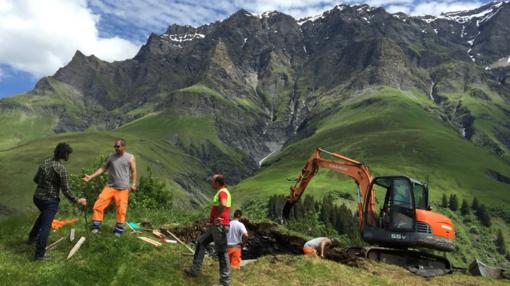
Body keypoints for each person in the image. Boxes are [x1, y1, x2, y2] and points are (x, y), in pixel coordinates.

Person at [28, 142, 87, 260]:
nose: (68, 156)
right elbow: (66, 190)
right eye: (68, 154)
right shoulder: (61, 169)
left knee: (43, 216)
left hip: (37, 198)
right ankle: (39, 254)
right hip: (50, 201)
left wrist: (46, 185)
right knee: (46, 226)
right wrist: (78, 201)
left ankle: (32, 237)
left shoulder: (45, 163)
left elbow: (36, 180)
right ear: (64, 154)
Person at [82, 138, 137, 237]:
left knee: (121, 210)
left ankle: (118, 231)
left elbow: (133, 171)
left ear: (123, 146)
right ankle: (95, 227)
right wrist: (91, 176)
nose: (116, 148)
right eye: (115, 146)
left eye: (118, 146)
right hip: (110, 187)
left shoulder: (130, 157)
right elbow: (103, 168)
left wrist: (133, 184)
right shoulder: (111, 157)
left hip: (123, 188)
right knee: (98, 205)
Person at [186, 174, 231, 286]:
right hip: (215, 227)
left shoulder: (222, 192)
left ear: (217, 183)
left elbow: (223, 204)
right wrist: (212, 221)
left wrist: (217, 218)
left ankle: (225, 283)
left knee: (222, 253)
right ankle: (194, 270)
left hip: (220, 227)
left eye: (212, 181)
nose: (211, 183)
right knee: (201, 242)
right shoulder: (221, 191)